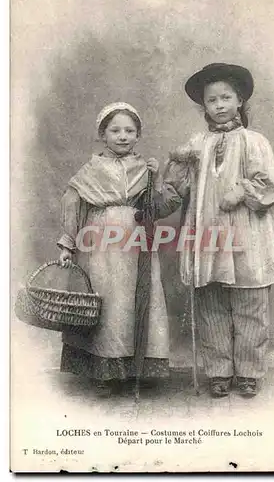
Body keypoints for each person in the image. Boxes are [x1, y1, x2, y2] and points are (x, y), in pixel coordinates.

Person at [155, 63, 274, 398]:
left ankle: (249, 371)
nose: (218, 105)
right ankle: (218, 370)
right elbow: (178, 188)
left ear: (240, 100)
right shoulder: (197, 144)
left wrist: (243, 190)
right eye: (211, 100)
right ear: (203, 106)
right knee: (212, 303)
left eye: (225, 97)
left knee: (250, 302)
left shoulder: (254, 142)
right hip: (208, 234)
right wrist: (177, 163)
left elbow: (270, 185)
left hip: (248, 233)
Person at [57, 102, 169, 394]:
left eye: (129, 131)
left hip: (136, 241)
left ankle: (138, 366)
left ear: (138, 135)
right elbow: (74, 205)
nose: (122, 136)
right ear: (102, 134)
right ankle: (103, 372)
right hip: (100, 242)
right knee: (108, 301)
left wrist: (155, 178)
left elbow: (155, 206)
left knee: (138, 298)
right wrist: (68, 244)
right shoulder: (91, 170)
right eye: (115, 130)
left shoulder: (143, 168)